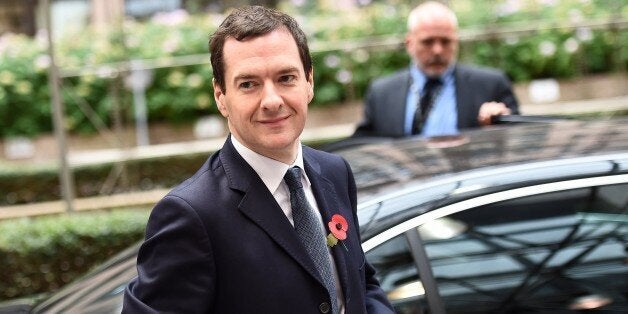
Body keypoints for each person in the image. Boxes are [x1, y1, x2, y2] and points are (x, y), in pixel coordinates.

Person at [122, 6, 394, 314]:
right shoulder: (191, 215)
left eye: (286, 78)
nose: (272, 101)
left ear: (309, 82)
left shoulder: (335, 172)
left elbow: (362, 285)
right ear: (220, 96)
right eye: (248, 84)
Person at [353, 1, 519, 138]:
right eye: (428, 42)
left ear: (456, 42)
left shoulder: (491, 84)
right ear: (409, 43)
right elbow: (363, 144)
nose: (437, 50)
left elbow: (522, 137)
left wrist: (500, 124)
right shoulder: (382, 93)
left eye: (446, 41)